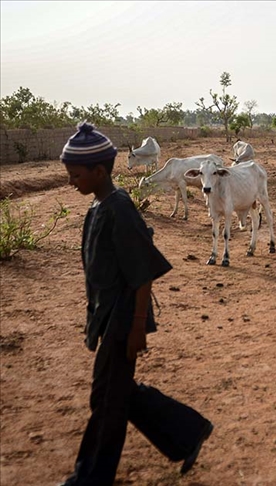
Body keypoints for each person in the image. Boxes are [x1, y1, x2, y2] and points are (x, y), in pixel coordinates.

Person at [59, 122, 213, 485]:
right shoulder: (99, 207)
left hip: (123, 320)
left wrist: (137, 327)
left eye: (75, 175)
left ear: (99, 171)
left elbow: (142, 273)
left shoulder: (119, 209)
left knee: (109, 403)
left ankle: (91, 479)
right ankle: (188, 431)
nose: (71, 182)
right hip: (107, 318)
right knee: (112, 393)